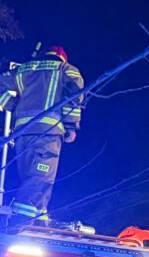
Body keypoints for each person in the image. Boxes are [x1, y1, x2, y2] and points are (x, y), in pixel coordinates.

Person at [0, 46, 85, 225]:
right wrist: (71, 126)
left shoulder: (24, 69)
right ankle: (23, 219)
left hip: (22, 131)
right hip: (48, 131)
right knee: (41, 175)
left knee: (30, 176)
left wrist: (15, 107)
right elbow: (73, 96)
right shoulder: (66, 69)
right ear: (63, 58)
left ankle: (39, 216)